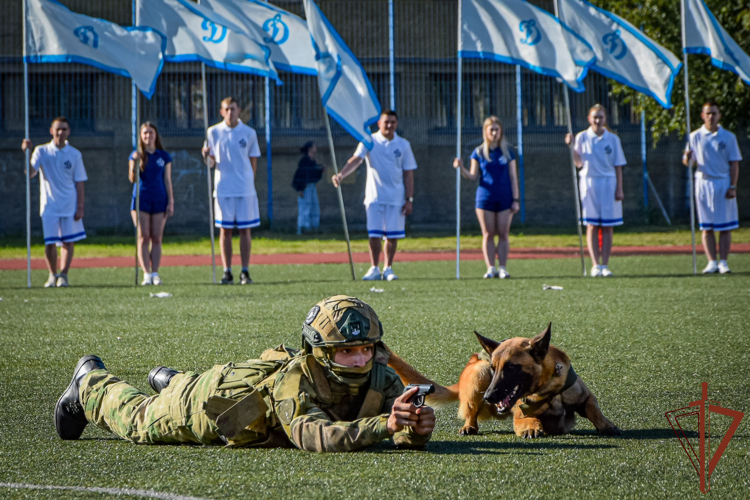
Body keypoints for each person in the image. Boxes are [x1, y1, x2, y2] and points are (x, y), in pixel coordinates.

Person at [54, 295, 435, 452]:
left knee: (181, 387)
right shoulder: (297, 382)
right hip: (215, 408)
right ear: (320, 352)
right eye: (347, 351)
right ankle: (90, 384)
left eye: (366, 349)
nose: (360, 359)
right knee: (141, 421)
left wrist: (413, 429)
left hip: (241, 384)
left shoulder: (380, 377)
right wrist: (384, 427)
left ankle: (172, 380)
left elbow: (393, 424)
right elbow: (314, 435)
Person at [332, 110, 417, 281]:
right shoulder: (369, 141)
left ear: (397, 124)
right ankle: (374, 268)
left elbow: (408, 174)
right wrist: (341, 175)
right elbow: (356, 159)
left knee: (392, 236)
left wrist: (409, 199)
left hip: (396, 198)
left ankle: (388, 268)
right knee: (374, 234)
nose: (389, 125)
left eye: (393, 122)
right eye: (386, 122)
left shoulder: (403, 145)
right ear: (379, 123)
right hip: (375, 197)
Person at [21, 116, 87, 288]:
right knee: (50, 242)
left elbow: (80, 182)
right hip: (49, 205)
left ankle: (63, 275)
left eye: (64, 129)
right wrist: (26, 153)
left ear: (69, 132)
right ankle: (52, 274)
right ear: (51, 131)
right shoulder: (41, 151)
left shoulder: (75, 154)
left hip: (69, 205)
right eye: (58, 129)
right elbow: (30, 173)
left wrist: (80, 206)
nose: (60, 132)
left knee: (68, 241)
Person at [202, 97, 261, 285]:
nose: (230, 113)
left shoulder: (249, 133)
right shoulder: (213, 132)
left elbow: (253, 161)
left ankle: (245, 270)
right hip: (223, 188)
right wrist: (205, 156)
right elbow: (211, 163)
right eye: (226, 109)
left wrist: (248, 181)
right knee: (225, 231)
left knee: (245, 230)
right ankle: (227, 271)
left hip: (244, 189)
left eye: (233, 109)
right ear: (221, 111)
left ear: (239, 110)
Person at [453, 116, 520, 279]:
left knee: (503, 232)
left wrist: (516, 199)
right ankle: (490, 267)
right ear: (486, 131)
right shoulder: (479, 152)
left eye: (497, 129)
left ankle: (502, 267)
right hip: (485, 199)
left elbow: (513, 176)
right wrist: (461, 168)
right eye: (491, 129)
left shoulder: (508, 152)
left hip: (505, 197)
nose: (494, 133)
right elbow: (473, 175)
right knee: (488, 233)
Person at [565, 104, 626, 277]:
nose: (598, 120)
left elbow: (618, 165)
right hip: (589, 182)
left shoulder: (613, 139)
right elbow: (579, 163)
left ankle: (605, 265)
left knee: (607, 226)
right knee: (591, 225)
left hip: (608, 182)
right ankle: (594, 265)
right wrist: (571, 147)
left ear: (605, 118)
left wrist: (619, 189)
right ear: (589, 119)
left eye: (601, 117)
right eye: (595, 117)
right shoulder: (582, 137)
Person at [683, 100, 741, 274]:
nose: (711, 116)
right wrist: (687, 157)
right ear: (702, 115)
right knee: (706, 226)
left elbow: (734, 164)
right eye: (708, 113)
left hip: (722, 182)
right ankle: (711, 261)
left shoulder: (728, 137)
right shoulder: (695, 136)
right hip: (703, 182)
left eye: (714, 113)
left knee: (724, 225)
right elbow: (689, 163)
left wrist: (732, 186)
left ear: (719, 115)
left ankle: (723, 261)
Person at [129, 122, 174, 286]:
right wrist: (135, 162)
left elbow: (167, 180)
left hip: (160, 199)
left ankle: (155, 273)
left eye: (151, 133)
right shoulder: (136, 155)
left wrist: (171, 201)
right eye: (145, 133)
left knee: (157, 237)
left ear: (156, 135)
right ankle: (146, 274)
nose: (148, 136)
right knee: (143, 236)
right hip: (142, 200)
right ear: (141, 136)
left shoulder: (164, 156)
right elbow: (132, 178)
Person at [292, 141, 325, 234]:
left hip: (312, 186)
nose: (316, 148)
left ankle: (313, 227)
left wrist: (320, 172)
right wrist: (302, 189)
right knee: (305, 207)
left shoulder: (313, 161)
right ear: (310, 149)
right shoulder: (304, 161)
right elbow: (301, 175)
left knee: (314, 207)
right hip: (306, 187)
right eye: (314, 147)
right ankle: (303, 228)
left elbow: (313, 175)